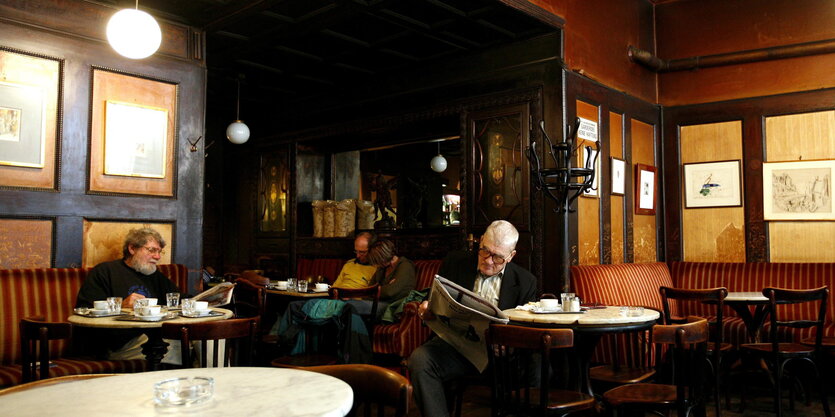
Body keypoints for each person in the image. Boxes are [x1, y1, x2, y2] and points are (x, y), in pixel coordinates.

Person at [407, 220, 538, 417]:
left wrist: (508, 343)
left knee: (538, 366)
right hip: (456, 347)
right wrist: (427, 309)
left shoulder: (526, 281)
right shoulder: (455, 262)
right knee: (420, 359)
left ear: (511, 256)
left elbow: (525, 328)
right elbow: (433, 300)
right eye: (484, 250)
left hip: (499, 358)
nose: (488, 260)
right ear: (481, 241)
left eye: (498, 257)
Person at [75, 227, 180, 359]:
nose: (157, 257)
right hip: (117, 344)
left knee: (205, 339)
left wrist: (209, 298)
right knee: (177, 347)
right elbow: (85, 310)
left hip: (153, 336)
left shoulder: (156, 276)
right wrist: (121, 306)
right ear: (132, 249)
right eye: (152, 250)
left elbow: (180, 299)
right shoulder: (105, 272)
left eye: (159, 252)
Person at [345, 238, 416, 318]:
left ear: (383, 257)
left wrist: (379, 289)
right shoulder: (383, 267)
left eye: (377, 261)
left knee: (350, 306)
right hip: (377, 302)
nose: (376, 265)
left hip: (392, 306)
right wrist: (384, 288)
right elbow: (369, 289)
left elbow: (390, 292)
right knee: (346, 305)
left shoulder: (405, 266)